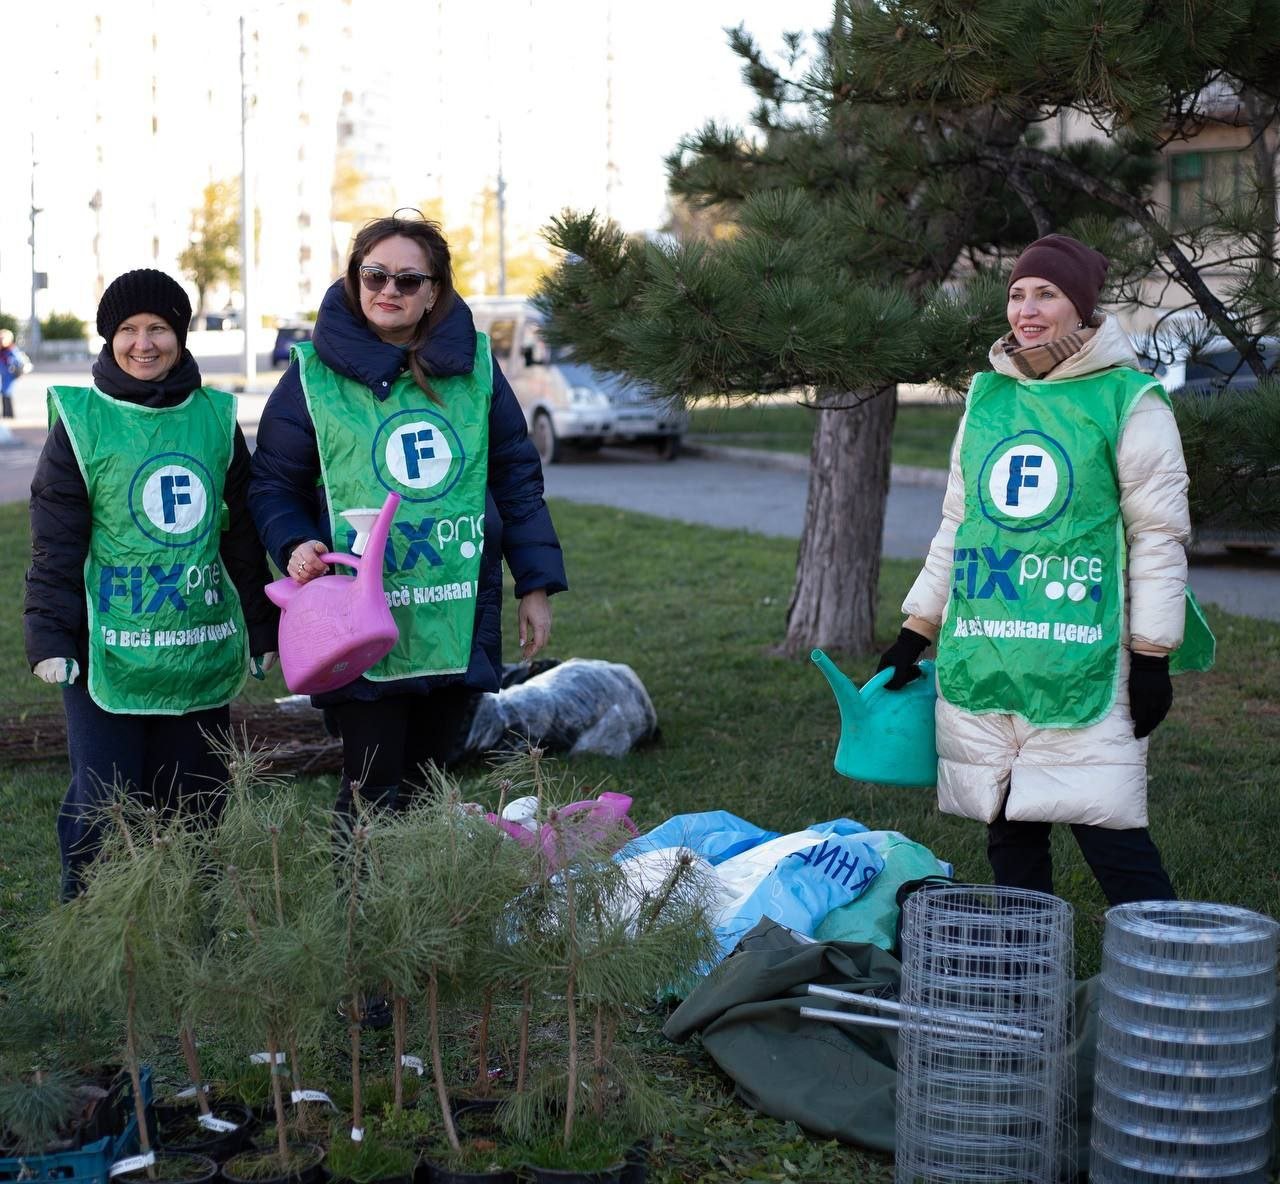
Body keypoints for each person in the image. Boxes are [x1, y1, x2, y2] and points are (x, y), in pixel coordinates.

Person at [877, 233, 1207, 906]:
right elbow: (958, 524)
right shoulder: (990, 398)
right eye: (1017, 294)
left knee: (1112, 837)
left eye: (1046, 294)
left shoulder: (1128, 400)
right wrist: (916, 630)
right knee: (1008, 831)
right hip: (992, 644)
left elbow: (1157, 536)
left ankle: (1180, 979)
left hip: (1082, 651)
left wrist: (1150, 658)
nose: (1026, 310)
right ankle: (1026, 976)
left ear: (1081, 310)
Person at [248, 212, 567, 824]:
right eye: (375, 275)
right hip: (358, 620)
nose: (388, 291)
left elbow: (515, 477)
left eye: (408, 280)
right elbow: (272, 485)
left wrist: (535, 584)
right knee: (370, 794)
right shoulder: (311, 377)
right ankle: (357, 919)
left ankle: (417, 914)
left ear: (434, 293)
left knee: (428, 789)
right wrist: (293, 543)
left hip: (453, 608)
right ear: (354, 281)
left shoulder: (476, 369)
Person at [24, 269, 279, 898]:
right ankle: (87, 931)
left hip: (197, 645)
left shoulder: (216, 419)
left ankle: (192, 929)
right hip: (104, 651)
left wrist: (260, 626)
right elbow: (56, 543)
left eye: (158, 328)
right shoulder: (81, 424)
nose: (144, 343)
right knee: (104, 802)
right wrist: (50, 636)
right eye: (129, 330)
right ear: (109, 337)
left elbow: (240, 536)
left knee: (197, 803)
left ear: (180, 336)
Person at [1, 328, 31, 418]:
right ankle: (6, 414)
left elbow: (17, 360)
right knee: (4, 392)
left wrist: (11, 364)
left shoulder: (11, 349)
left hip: (9, 374)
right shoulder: (2, 350)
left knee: (7, 393)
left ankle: (9, 414)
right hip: (3, 374)